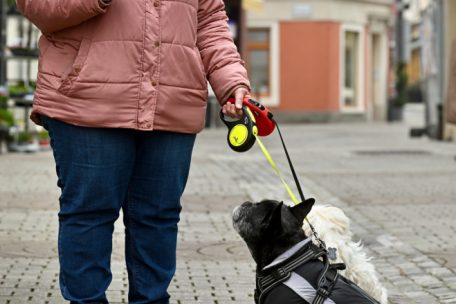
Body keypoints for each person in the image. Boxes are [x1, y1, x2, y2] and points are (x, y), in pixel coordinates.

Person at [16, 0, 249, 303]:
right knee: (90, 213)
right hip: (87, 99)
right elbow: (37, 6)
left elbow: (209, 23)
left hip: (171, 101)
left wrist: (230, 82)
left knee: (158, 218)